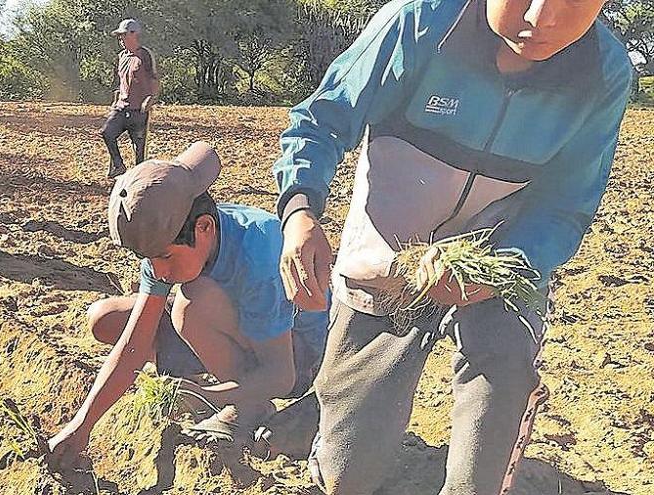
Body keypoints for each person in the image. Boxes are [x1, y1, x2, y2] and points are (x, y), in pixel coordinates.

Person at [272, 0, 633, 494]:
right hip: (391, 249)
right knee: (348, 471)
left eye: (571, 1)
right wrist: (299, 212)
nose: (540, 18)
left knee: (501, 384)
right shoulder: (420, 22)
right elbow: (322, 119)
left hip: (501, 257)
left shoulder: (603, 73)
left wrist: (507, 266)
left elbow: (565, 204)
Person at [46, 142, 328, 473]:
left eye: (165, 257)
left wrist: (208, 394)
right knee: (107, 319)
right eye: (150, 261)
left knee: (191, 305)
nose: (159, 271)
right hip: (236, 327)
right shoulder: (169, 238)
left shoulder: (258, 252)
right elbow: (133, 345)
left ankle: (250, 407)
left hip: (299, 355)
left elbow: (281, 375)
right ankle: (233, 384)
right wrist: (82, 427)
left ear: (204, 228)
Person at [101, 18, 160, 179]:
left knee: (139, 150)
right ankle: (118, 166)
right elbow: (119, 82)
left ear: (134, 34)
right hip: (121, 107)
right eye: (119, 36)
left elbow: (154, 79)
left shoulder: (145, 55)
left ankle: (139, 181)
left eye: (123, 35)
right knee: (107, 133)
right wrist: (115, 101)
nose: (120, 39)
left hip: (138, 110)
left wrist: (151, 98)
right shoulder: (121, 56)